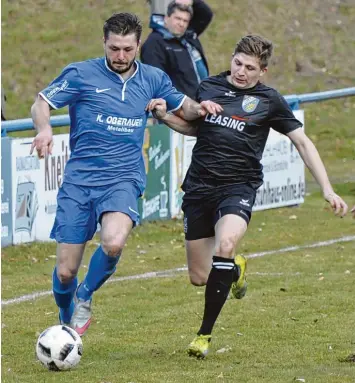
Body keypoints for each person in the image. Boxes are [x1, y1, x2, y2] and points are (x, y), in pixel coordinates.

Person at [148, 34, 349, 358]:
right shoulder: (209, 87)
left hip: (237, 188)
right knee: (200, 277)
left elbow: (303, 142)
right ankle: (236, 269)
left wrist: (326, 189)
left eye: (250, 67)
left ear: (263, 71)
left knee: (226, 244)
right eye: (237, 63)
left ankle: (204, 335)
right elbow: (195, 128)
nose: (241, 71)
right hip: (199, 188)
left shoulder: (269, 100)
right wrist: (164, 116)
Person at [30, 12, 222, 337]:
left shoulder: (153, 79)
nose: (120, 56)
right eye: (114, 48)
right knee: (65, 272)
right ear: (104, 43)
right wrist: (45, 129)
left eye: (127, 49)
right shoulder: (81, 74)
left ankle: (85, 295)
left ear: (137, 45)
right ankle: (67, 320)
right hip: (79, 181)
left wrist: (202, 107)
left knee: (114, 242)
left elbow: (184, 107)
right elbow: (41, 102)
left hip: (123, 178)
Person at [141, 0, 212, 99]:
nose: (181, 24)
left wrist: (192, 1)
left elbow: (205, 14)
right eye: (177, 19)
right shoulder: (154, 44)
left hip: (205, 101)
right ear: (166, 18)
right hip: (183, 108)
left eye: (185, 21)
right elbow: (157, 84)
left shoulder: (188, 36)